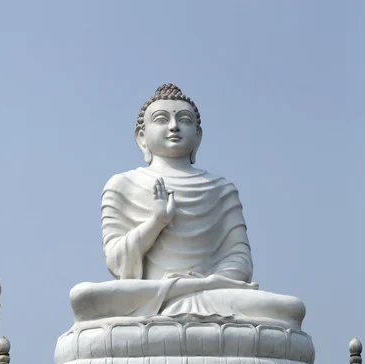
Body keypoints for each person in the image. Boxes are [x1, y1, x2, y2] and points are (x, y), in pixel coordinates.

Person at [69, 83, 305, 330]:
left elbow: (240, 261)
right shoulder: (122, 184)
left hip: (212, 293)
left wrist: (197, 285)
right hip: (149, 291)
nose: (173, 126)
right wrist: (156, 222)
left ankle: (182, 306)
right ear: (141, 137)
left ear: (198, 136)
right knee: (84, 298)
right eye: (161, 119)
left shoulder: (220, 188)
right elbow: (117, 260)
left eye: (183, 119)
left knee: (291, 309)